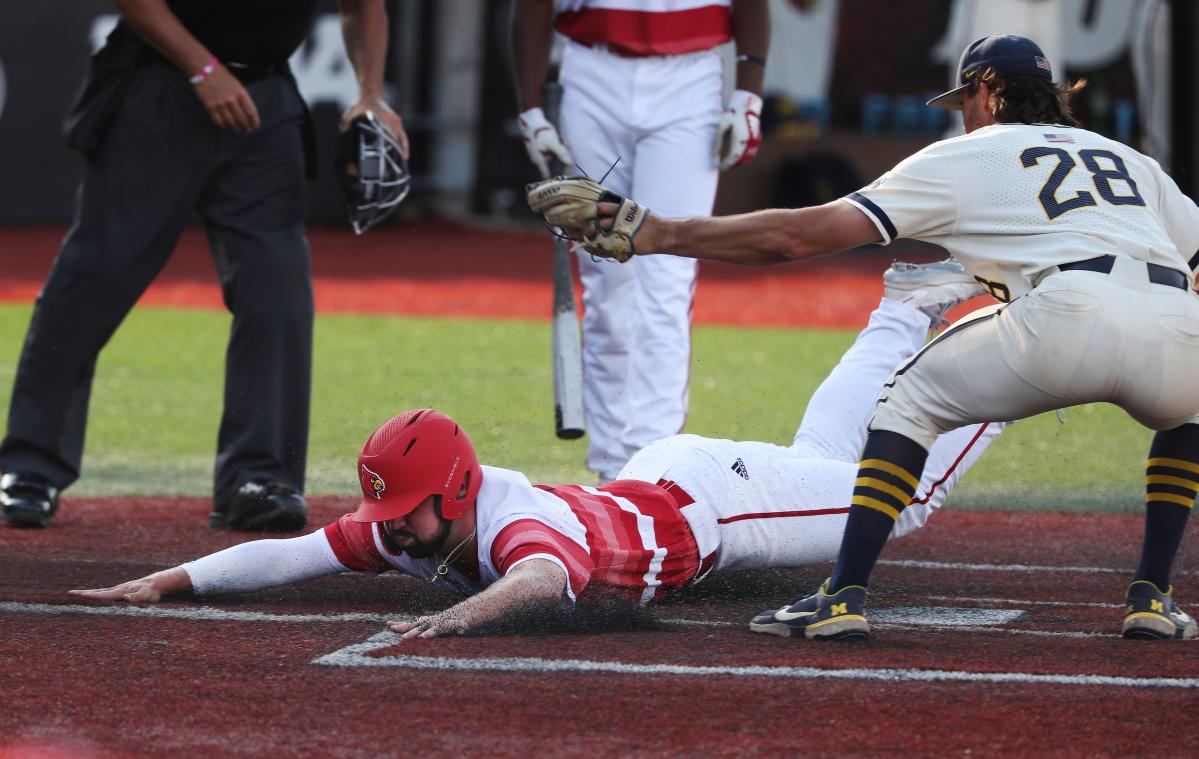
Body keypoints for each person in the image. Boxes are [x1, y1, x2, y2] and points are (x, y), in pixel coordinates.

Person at [527, 33, 1199, 642]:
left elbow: (798, 234)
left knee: (904, 400)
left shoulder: (968, 153)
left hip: (1064, 313)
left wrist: (658, 232)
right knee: (1186, 407)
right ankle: (1151, 594)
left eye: (963, 98)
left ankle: (842, 595)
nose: (960, 112)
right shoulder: (1131, 162)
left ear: (986, 92)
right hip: (1175, 319)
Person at [70, 267, 1003, 638]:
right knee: (827, 454)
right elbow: (293, 553)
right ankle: (904, 306)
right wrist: (171, 579)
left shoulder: (519, 521)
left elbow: (540, 581)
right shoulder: (419, 519)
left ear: (459, 487)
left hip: (720, 509)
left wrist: (454, 621)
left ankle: (1013, 353)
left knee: (900, 499)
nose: (395, 531)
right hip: (673, 476)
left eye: (409, 512)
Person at [0, 0, 408, 531]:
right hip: (160, 85)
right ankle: (30, 465)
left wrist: (370, 93)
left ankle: (259, 477)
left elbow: (364, 7)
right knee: (95, 277)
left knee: (277, 289)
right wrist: (202, 67)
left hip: (265, 101)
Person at [511, 0, 771, 484]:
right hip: (591, 69)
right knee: (607, 279)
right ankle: (611, 467)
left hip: (691, 76)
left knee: (666, 275)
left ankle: (654, 464)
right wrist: (528, 107)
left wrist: (747, 96)